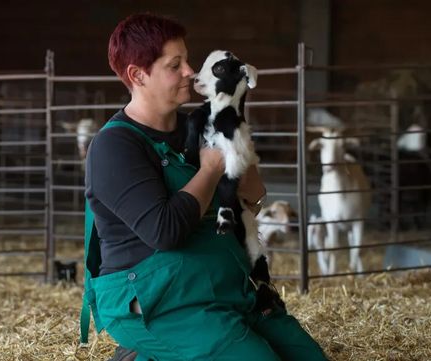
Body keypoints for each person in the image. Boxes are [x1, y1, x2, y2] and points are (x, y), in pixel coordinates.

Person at [81, 13, 329, 361]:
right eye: (175, 64)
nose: (189, 71)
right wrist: (212, 166)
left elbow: (253, 200)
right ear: (138, 75)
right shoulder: (115, 147)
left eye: (187, 60)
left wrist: (241, 143)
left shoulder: (196, 126)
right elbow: (165, 231)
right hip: (154, 298)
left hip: (221, 287)